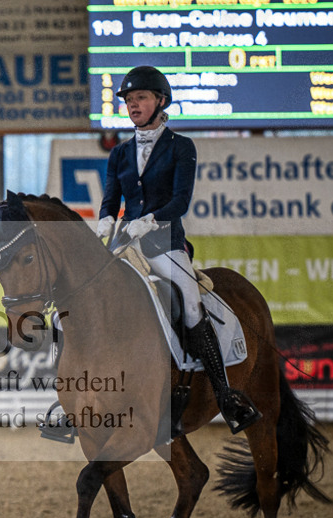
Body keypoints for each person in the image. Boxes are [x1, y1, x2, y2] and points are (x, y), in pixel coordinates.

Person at [96, 65, 260, 434]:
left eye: (140, 98)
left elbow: (180, 202)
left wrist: (148, 220)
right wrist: (106, 220)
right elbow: (110, 198)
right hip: (124, 245)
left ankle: (225, 394)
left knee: (188, 297)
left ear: (161, 101)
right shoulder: (119, 154)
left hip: (163, 243)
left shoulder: (181, 147)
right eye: (129, 100)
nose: (133, 105)